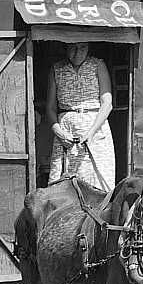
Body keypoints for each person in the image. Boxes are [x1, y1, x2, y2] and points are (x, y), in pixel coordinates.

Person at [45, 42, 115, 191]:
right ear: (66, 48)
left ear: (89, 48)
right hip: (66, 132)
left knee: (98, 184)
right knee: (61, 184)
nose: (78, 53)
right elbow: (50, 108)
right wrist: (59, 132)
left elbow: (107, 104)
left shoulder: (98, 65)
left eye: (82, 48)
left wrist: (91, 132)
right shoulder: (57, 69)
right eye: (73, 48)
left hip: (95, 131)